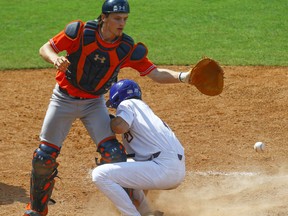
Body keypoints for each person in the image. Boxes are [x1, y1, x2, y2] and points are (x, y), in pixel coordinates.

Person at [23, 0, 190, 215]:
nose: (122, 23)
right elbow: (45, 48)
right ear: (104, 18)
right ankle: (37, 210)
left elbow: (154, 73)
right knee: (44, 157)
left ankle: (142, 210)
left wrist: (185, 77)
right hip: (63, 99)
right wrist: (55, 59)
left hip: (94, 103)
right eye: (117, 18)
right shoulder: (80, 33)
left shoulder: (126, 48)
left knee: (114, 155)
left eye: (125, 19)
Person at [92, 79, 185, 216]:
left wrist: (109, 120)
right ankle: (146, 212)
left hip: (162, 168)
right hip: (173, 169)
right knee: (125, 164)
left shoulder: (128, 103)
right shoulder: (145, 112)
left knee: (100, 175)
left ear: (118, 98)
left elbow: (120, 126)